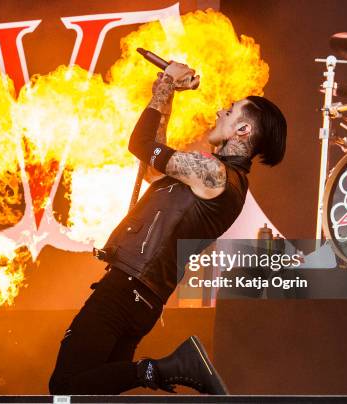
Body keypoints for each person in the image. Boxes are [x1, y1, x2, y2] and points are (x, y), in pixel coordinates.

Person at [49, 61, 287, 395]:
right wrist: (169, 94)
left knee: (64, 385)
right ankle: (157, 370)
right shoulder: (217, 178)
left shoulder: (214, 174)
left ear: (243, 131)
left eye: (230, 111)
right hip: (143, 298)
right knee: (92, 392)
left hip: (126, 287)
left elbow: (140, 142)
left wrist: (165, 85)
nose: (220, 112)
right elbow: (152, 166)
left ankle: (169, 367)